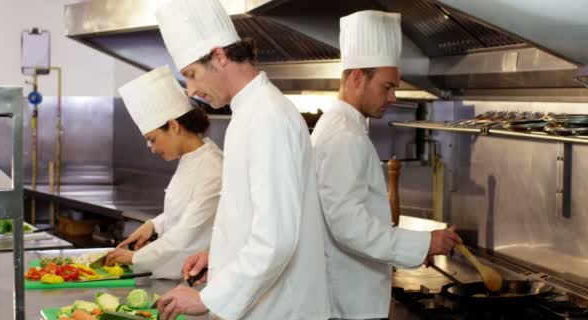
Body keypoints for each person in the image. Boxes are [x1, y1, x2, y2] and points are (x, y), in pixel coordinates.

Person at [153, 0, 331, 319]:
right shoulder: (249, 113)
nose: (191, 90)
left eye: (192, 75)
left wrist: (209, 298)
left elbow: (275, 240)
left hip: (280, 310)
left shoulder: (269, 117)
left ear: (219, 56)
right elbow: (256, 218)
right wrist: (219, 256)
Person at [311, 11, 463, 320]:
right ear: (357, 77)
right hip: (348, 305)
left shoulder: (345, 127)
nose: (393, 97)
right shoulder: (343, 136)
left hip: (350, 298)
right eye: (386, 86)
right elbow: (348, 225)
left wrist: (417, 249)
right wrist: (423, 243)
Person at [105, 65, 222, 280]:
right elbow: (182, 211)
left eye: (153, 139)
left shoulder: (213, 168)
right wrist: (153, 224)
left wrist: (133, 258)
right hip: (171, 275)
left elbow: (186, 233)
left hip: (193, 281)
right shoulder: (191, 159)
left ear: (174, 126)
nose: (152, 148)